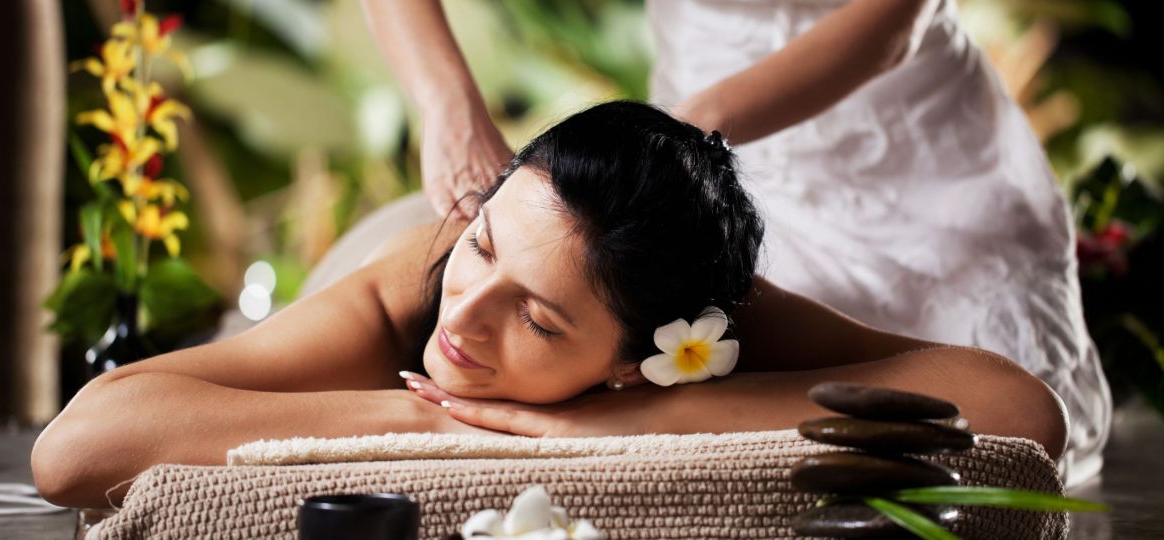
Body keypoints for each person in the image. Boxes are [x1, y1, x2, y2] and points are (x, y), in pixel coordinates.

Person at [32, 101, 1066, 510]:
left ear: (640, 355)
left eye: (537, 319)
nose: (468, 322)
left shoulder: (695, 316)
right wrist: (438, 422)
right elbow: (76, 451)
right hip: (385, 250)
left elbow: (1018, 410)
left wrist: (608, 423)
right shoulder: (433, 278)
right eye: (490, 252)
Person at [359, 0, 1110, 487]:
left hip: (911, 155)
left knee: (970, 458)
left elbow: (1021, 418)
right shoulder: (478, 269)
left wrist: (684, 150)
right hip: (681, 153)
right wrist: (445, 101)